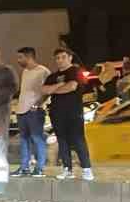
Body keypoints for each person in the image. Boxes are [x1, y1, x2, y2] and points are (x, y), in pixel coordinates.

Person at [44, 47, 93, 180]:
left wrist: (54, 89)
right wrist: (59, 87)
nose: (60, 60)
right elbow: (45, 90)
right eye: (57, 58)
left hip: (73, 112)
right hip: (56, 112)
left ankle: (87, 169)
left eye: (63, 57)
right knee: (62, 140)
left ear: (70, 57)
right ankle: (67, 169)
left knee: (78, 140)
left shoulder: (75, 71)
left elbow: (72, 86)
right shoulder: (52, 76)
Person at [13, 47, 51, 177]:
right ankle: (24, 167)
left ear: (29, 57)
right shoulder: (24, 72)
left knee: (37, 138)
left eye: (20, 57)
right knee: (24, 139)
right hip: (22, 110)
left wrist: (37, 104)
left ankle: (39, 168)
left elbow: (48, 91)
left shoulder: (43, 71)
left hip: (34, 111)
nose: (18, 60)